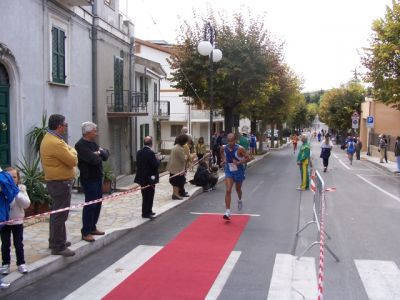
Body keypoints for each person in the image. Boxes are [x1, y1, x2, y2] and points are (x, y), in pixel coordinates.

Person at [40, 114, 78, 257]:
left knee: (57, 213)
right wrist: (73, 151)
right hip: (59, 183)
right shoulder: (55, 142)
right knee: (60, 215)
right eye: (65, 124)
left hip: (56, 182)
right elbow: (73, 159)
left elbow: (69, 151)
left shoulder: (51, 138)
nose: (66, 127)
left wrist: (70, 150)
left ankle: (56, 240)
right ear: (59, 126)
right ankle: (58, 246)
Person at [75, 122, 109, 243]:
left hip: (98, 177)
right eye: (94, 131)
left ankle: (93, 227)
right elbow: (93, 160)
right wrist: (99, 153)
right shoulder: (80, 145)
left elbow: (106, 154)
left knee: (98, 203)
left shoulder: (93, 143)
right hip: (89, 178)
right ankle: (86, 231)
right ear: (88, 132)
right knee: (90, 205)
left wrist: (99, 153)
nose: (96, 133)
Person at [0, 167, 30, 275]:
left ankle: (21, 263)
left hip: (17, 223)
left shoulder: (21, 189)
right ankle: (5, 264)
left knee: (18, 243)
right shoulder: (1, 190)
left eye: (14, 177)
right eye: (8, 177)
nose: (12, 179)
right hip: (5, 223)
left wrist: (15, 192)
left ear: (18, 179)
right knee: (5, 244)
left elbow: (26, 204)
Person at [221, 133, 251, 220]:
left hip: (239, 170)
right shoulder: (224, 147)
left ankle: (240, 200)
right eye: (228, 141)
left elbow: (248, 158)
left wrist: (238, 163)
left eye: (232, 141)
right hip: (229, 169)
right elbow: (221, 152)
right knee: (228, 189)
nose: (230, 143)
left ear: (235, 140)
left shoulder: (240, 149)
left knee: (238, 189)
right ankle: (227, 212)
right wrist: (224, 160)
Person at [134, 136, 162, 220]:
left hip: (141, 177)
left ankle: (149, 210)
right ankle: (146, 213)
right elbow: (155, 165)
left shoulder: (139, 152)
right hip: (149, 178)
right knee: (149, 195)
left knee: (145, 195)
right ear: (151, 143)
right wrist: (158, 159)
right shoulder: (150, 153)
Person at [167, 134, 189, 200]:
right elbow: (183, 159)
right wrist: (186, 157)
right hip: (177, 168)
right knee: (177, 182)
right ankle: (176, 195)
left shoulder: (175, 146)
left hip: (173, 167)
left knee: (175, 181)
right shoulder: (179, 149)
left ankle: (175, 194)